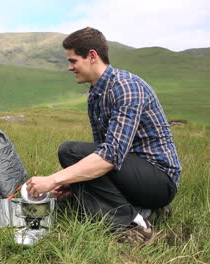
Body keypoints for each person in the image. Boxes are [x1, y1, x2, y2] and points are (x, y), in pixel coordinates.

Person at [26, 27, 181, 240]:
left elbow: (110, 156)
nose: (70, 68)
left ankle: (133, 227)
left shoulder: (126, 87)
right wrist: (72, 182)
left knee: (70, 151)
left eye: (73, 61)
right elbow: (101, 152)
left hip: (160, 180)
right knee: (77, 170)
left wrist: (53, 179)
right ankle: (146, 212)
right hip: (133, 175)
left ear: (92, 56)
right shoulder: (96, 95)